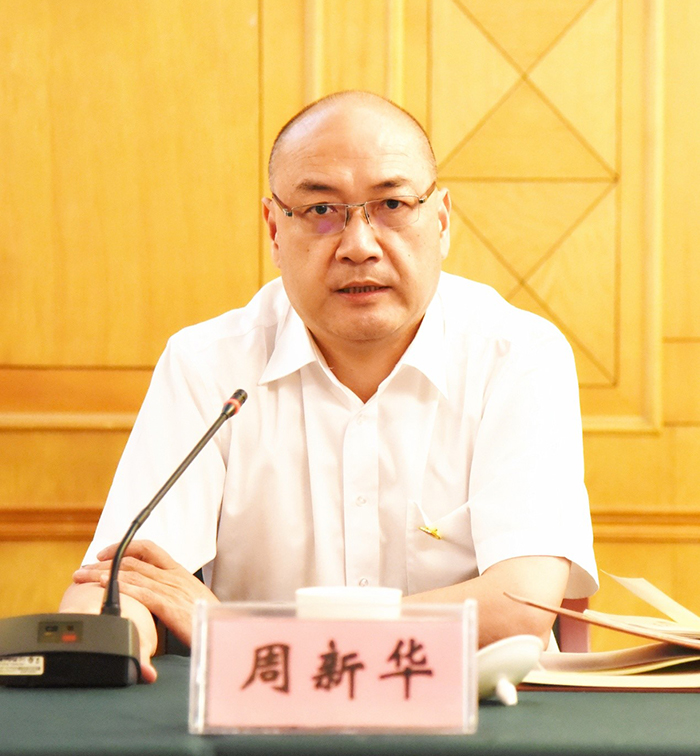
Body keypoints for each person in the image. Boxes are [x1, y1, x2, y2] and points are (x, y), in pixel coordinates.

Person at [60, 90, 598, 683]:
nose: (359, 246)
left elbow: (521, 607)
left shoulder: (518, 356)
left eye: (392, 204)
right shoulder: (208, 366)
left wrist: (240, 632)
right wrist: (114, 632)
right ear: (274, 228)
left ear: (441, 221)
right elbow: (121, 584)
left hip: (476, 719)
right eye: (321, 210)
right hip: (264, 719)